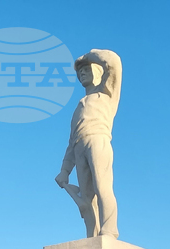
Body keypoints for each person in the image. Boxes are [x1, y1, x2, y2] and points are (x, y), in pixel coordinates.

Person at [55, 49, 122, 238]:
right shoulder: (78, 107)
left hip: (98, 139)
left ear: (99, 71)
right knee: (86, 199)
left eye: (87, 69)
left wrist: (91, 55)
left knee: (102, 186)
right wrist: (65, 170)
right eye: (79, 71)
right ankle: (92, 236)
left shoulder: (107, 94)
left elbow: (114, 62)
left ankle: (109, 230)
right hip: (78, 146)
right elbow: (70, 142)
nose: (82, 73)